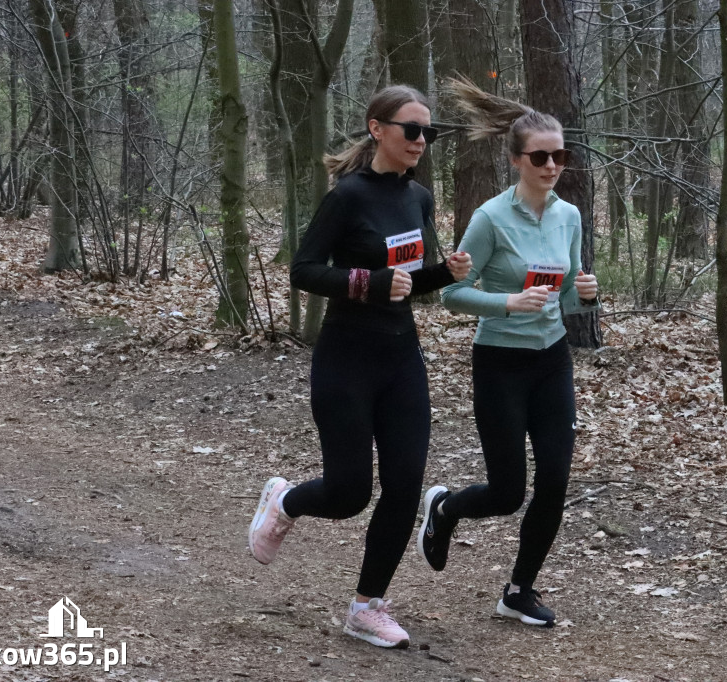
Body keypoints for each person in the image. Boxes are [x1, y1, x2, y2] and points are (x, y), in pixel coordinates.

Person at [247, 85, 471, 650]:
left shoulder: (418, 199)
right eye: (411, 129)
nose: (422, 140)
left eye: (429, 132)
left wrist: (445, 273)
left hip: (401, 357)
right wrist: (364, 283)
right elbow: (303, 270)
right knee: (349, 494)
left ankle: (366, 607)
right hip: (346, 355)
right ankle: (286, 500)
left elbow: (407, 282)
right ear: (378, 129)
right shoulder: (347, 196)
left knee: (403, 486)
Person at [416, 78, 599, 628]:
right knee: (506, 491)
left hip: (551, 360)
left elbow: (563, 294)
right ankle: (445, 506)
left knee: (556, 481)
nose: (551, 165)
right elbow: (450, 295)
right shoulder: (490, 218)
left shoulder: (568, 216)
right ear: (517, 160)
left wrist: (583, 293)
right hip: (499, 361)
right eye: (540, 157)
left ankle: (519, 590)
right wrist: (507, 302)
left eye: (559, 155)